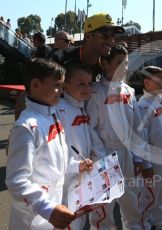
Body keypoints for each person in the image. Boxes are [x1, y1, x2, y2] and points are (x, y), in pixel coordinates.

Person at [87, 45, 153, 230]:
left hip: (128, 156)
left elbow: (137, 128)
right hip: (105, 156)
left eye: (126, 63)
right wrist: (103, 160)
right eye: (119, 63)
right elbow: (90, 129)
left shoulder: (129, 91)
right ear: (105, 63)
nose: (125, 67)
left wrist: (141, 159)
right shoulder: (94, 92)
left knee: (132, 205)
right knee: (103, 210)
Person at [5, 58, 75, 229]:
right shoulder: (26, 127)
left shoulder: (52, 114)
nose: (61, 91)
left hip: (52, 206)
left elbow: (55, 160)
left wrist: (77, 166)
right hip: (32, 219)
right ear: (35, 85)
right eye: (57, 85)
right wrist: (47, 208)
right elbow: (16, 181)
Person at [137, 66, 162, 230]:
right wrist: (145, 164)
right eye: (159, 80)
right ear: (147, 83)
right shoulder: (143, 106)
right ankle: (144, 225)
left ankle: (158, 223)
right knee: (148, 195)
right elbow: (141, 140)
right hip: (152, 160)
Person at [56, 63, 94, 229]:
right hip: (65, 181)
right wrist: (75, 166)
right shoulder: (58, 110)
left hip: (82, 175)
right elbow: (53, 153)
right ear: (65, 86)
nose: (87, 88)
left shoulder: (81, 107)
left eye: (89, 83)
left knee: (80, 221)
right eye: (81, 83)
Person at [52, 13, 125, 82]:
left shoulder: (109, 64)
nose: (110, 41)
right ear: (88, 36)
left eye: (113, 36)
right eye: (105, 36)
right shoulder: (60, 59)